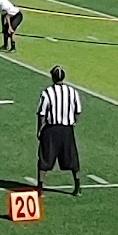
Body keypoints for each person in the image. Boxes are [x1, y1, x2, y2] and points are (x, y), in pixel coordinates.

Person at [36, 65, 82, 196]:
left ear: (52, 77)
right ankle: (77, 186)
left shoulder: (47, 92)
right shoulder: (72, 91)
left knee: (45, 158)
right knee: (72, 158)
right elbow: (78, 111)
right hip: (67, 129)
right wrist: (72, 122)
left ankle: (40, 188)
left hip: (51, 129)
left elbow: (42, 113)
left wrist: (39, 129)